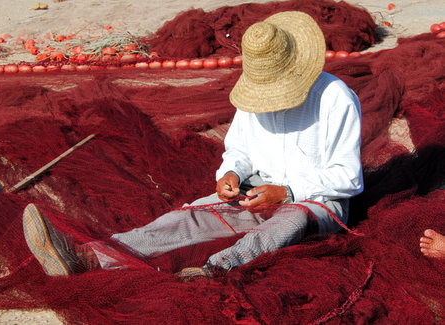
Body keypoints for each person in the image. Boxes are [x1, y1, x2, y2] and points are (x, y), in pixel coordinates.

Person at [22, 11, 364, 278]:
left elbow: (348, 178)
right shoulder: (252, 93)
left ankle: (217, 269)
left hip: (315, 202)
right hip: (255, 190)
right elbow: (240, 151)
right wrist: (230, 173)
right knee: (188, 218)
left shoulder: (335, 99)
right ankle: (89, 257)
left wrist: (287, 192)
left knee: (288, 223)